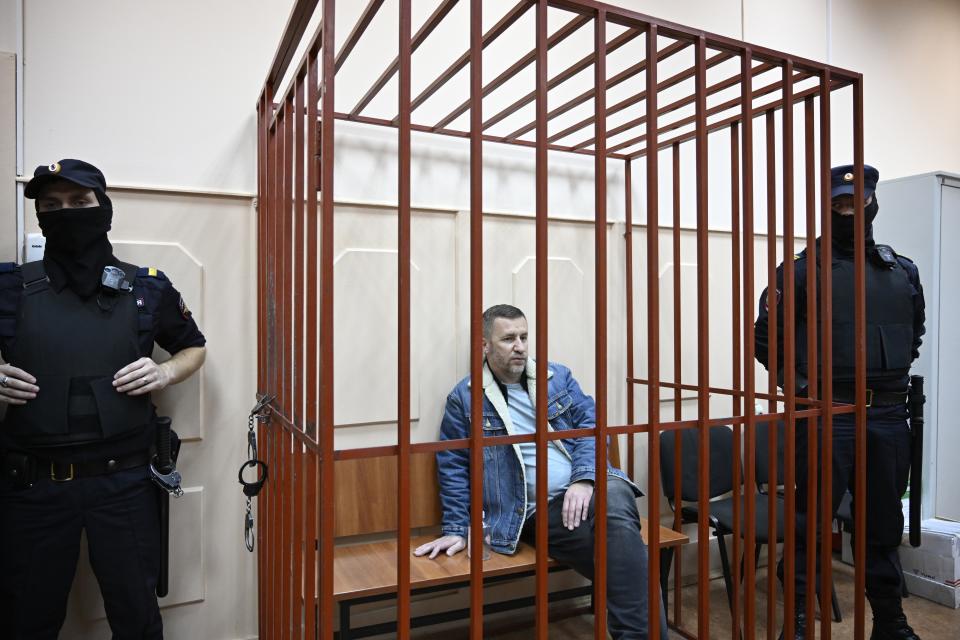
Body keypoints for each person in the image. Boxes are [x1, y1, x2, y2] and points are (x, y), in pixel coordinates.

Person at [0, 159, 207, 639]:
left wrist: (163, 370)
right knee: (25, 619)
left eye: (79, 202)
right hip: (33, 488)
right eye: (51, 206)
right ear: (39, 217)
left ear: (103, 208)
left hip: (125, 485)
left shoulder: (147, 288)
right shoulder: (10, 287)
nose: (65, 213)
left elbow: (194, 346)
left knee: (137, 617)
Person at [414, 304, 667, 640]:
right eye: (508, 339)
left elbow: (593, 428)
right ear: (485, 345)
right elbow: (454, 465)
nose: (520, 346)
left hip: (590, 494)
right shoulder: (466, 398)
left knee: (615, 494)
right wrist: (458, 527)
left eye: (524, 337)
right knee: (631, 562)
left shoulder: (557, 377)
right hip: (535, 513)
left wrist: (584, 479)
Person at [755, 165, 925, 640]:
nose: (850, 209)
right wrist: (802, 390)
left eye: (857, 200)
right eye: (839, 203)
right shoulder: (800, 271)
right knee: (811, 520)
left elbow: (915, 334)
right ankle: (798, 622)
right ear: (828, 208)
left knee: (883, 524)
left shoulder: (901, 269)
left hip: (889, 414)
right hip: (827, 413)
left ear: (872, 202)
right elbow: (767, 339)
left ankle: (890, 622)